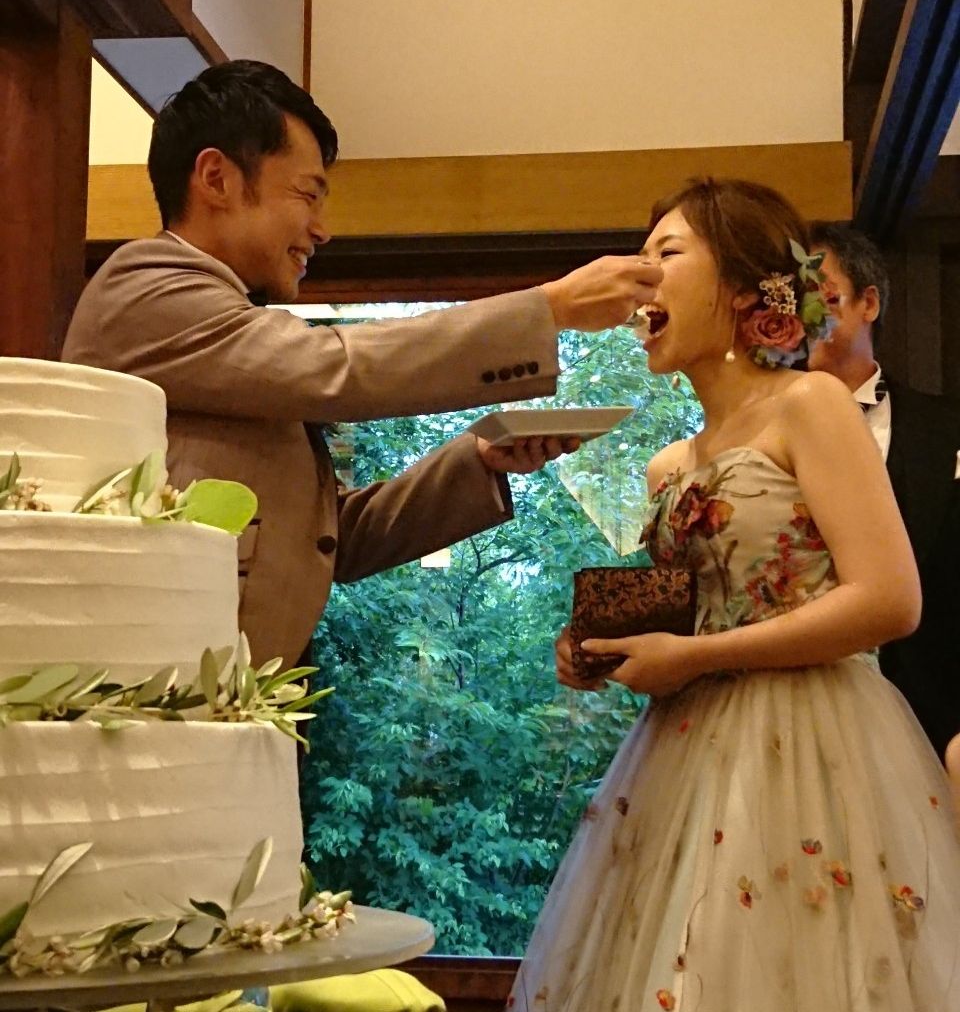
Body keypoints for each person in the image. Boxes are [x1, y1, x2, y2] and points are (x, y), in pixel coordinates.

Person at [509, 178, 960, 1011]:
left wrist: (694, 657)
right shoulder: (669, 465)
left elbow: (891, 600)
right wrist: (599, 647)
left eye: (667, 253)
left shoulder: (811, 404)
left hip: (812, 740)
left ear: (746, 285)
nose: (642, 277)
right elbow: (690, 613)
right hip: (685, 749)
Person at [62, 60, 661, 670]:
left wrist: (478, 460)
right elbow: (336, 367)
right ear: (216, 178)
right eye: (307, 195)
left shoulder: (226, 325)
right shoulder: (146, 287)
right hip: (156, 686)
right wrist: (549, 308)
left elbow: (328, 538)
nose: (321, 230)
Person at [806, 222, 960, 762]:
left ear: (867, 303)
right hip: (805, 716)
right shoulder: (756, 444)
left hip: (937, 718)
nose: (802, 315)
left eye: (821, 296)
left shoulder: (949, 430)